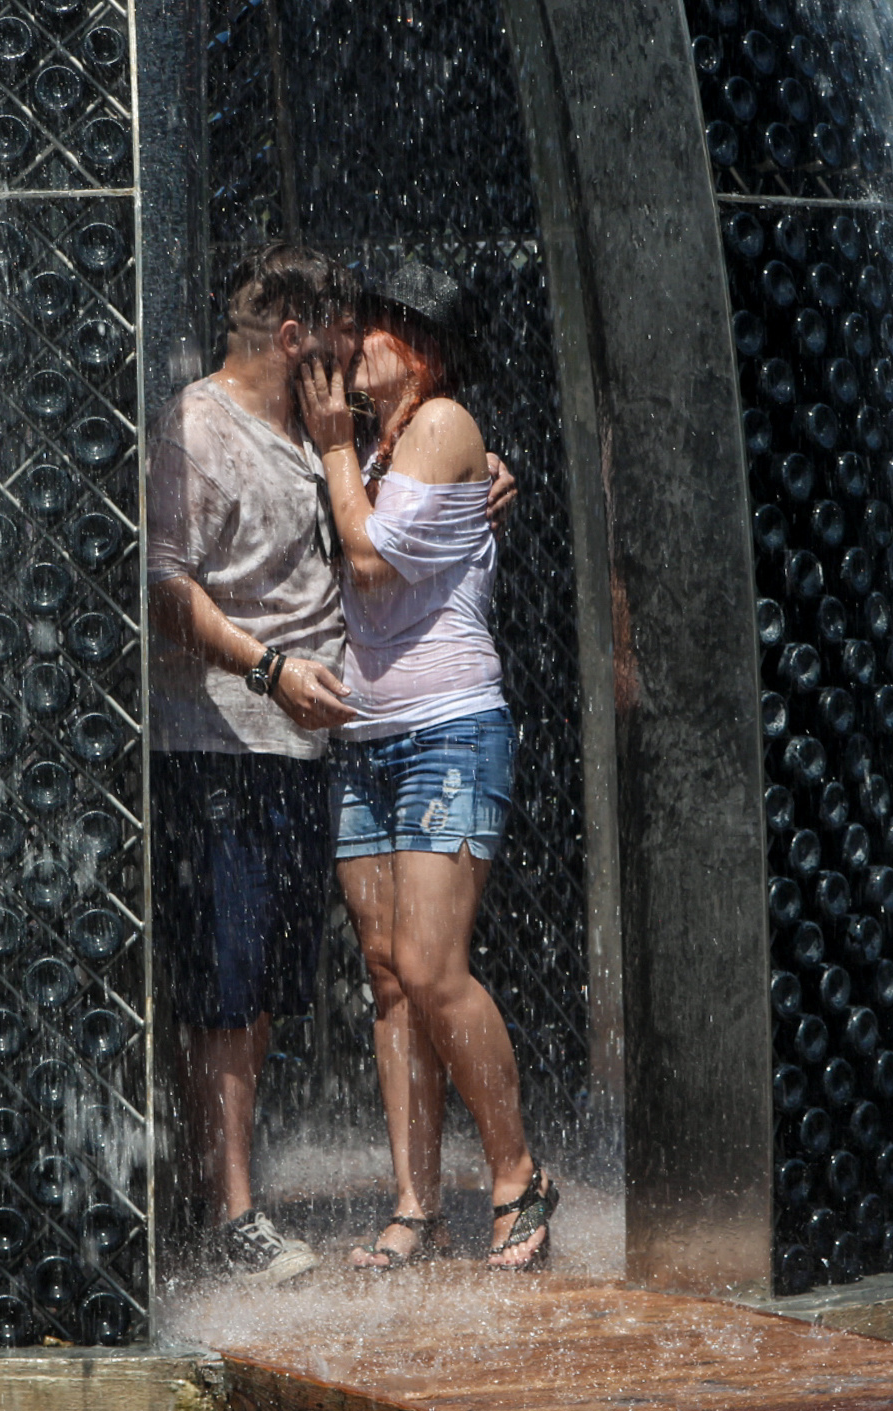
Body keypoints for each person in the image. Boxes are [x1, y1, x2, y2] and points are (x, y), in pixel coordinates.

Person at [146, 245, 513, 1284]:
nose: (356, 345)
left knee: (272, 986)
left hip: (320, 748)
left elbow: (399, 517)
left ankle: (414, 1195)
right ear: (299, 336)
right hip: (224, 737)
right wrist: (265, 670)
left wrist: (480, 473)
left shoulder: (328, 436)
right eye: (344, 328)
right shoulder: (197, 427)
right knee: (225, 985)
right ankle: (232, 1208)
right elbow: (160, 584)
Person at [295, 262, 555, 1273]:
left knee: (434, 969)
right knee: (387, 978)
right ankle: (414, 1205)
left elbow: (369, 561)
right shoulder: (371, 445)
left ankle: (517, 1179)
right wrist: (336, 451)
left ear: (422, 347)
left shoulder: (443, 422)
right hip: (366, 737)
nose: (350, 344)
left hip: (448, 728)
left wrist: (330, 455)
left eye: (371, 330)